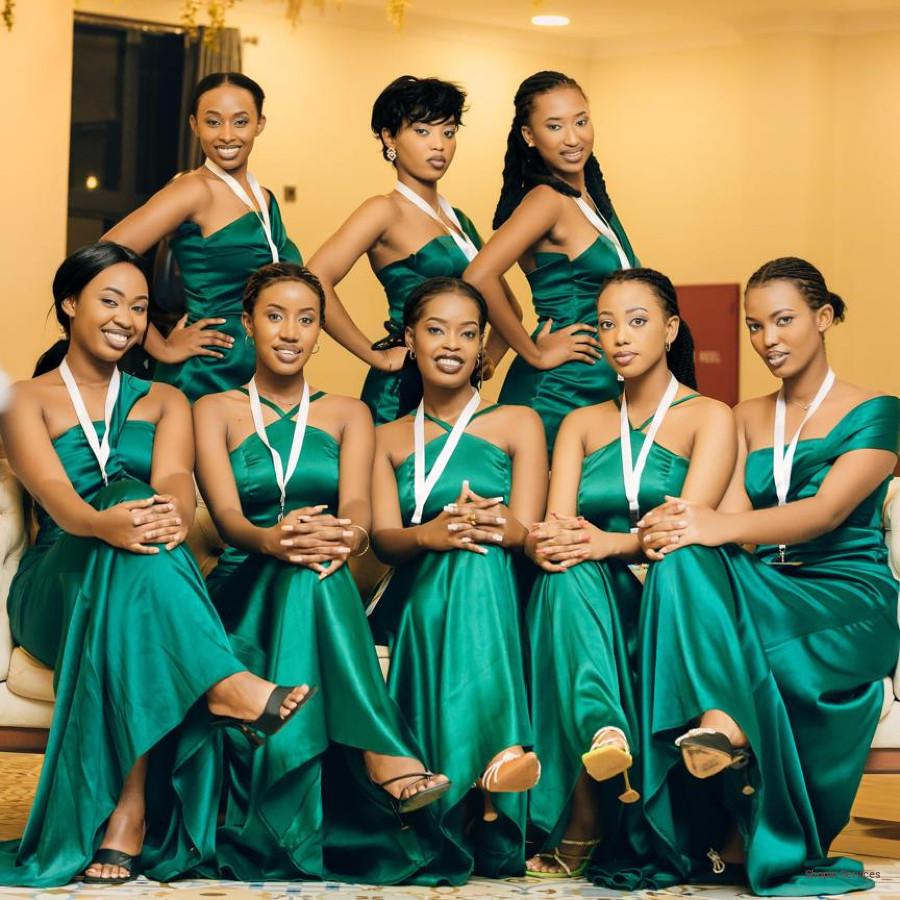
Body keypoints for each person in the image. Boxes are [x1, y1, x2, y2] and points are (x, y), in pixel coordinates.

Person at [0, 243, 312, 888]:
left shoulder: (166, 400)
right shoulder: (24, 400)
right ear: (70, 304)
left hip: (135, 571)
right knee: (124, 498)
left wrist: (164, 513)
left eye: (140, 308)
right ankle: (223, 683)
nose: (126, 318)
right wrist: (108, 520)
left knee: (137, 551)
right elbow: (57, 498)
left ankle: (128, 816)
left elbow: (175, 483)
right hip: (59, 577)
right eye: (110, 301)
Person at [632, 257, 900, 894]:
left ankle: (728, 733)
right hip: (770, 583)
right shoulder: (745, 415)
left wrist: (709, 525)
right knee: (682, 560)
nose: (767, 339)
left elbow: (823, 513)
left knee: (700, 551)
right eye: (755, 326)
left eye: (783, 320)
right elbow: (733, 522)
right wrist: (681, 528)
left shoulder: (879, 409)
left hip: (848, 596)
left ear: (823, 317)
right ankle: (721, 727)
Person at [192, 262, 453, 882]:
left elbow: (358, 507)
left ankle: (314, 793)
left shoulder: (348, 414)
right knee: (306, 568)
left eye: (307, 320)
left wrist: (346, 535)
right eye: (275, 316)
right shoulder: (213, 409)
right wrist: (273, 539)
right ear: (248, 323)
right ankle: (383, 754)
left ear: (318, 332)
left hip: (321, 570)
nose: (291, 332)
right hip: (243, 584)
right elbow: (227, 520)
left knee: (316, 570)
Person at [523, 268, 733, 879]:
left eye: (637, 322)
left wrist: (605, 542)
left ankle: (592, 812)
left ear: (670, 329)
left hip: (675, 596)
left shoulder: (710, 416)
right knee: (562, 573)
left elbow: (683, 529)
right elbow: (559, 527)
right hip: (595, 598)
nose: (619, 337)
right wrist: (549, 544)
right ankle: (603, 738)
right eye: (607, 324)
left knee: (660, 562)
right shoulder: (580, 424)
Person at [367, 277, 547, 880]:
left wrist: (492, 524)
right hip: (412, 596)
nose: (452, 344)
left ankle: (476, 782)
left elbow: (528, 532)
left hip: (496, 587)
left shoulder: (519, 422)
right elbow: (385, 541)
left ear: (481, 347)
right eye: (436, 330)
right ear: (410, 339)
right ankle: (498, 764)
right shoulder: (385, 437)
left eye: (467, 333)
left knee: (478, 553)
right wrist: (431, 533)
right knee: (464, 551)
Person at [308, 75, 520, 425]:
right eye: (422, 131)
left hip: (457, 387)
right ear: (389, 137)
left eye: (448, 132)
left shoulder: (460, 221)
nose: (438, 145)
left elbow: (509, 307)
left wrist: (488, 361)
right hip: (400, 390)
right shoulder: (383, 210)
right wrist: (374, 356)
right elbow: (314, 279)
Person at [465, 70, 639, 451]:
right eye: (555, 126)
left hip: (599, 380)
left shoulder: (589, 198)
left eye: (581, 121)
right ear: (529, 135)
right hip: (560, 389)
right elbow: (478, 276)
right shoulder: (546, 200)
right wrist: (534, 353)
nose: (573, 138)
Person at [104, 72, 301, 401]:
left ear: (259, 124)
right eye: (213, 122)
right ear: (194, 125)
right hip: (209, 372)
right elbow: (102, 257)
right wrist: (161, 345)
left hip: (262, 367)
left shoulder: (264, 198)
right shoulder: (193, 190)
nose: (227, 135)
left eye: (240, 122)